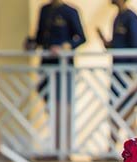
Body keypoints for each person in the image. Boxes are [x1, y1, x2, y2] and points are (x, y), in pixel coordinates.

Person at [29, 0, 86, 153]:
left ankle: (64, 146)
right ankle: (54, 143)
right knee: (49, 102)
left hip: (64, 66)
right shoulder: (45, 10)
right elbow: (40, 36)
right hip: (47, 65)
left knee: (63, 104)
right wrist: (32, 43)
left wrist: (64, 47)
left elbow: (80, 37)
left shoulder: (70, 11)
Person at [98, 0, 137, 126]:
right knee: (115, 108)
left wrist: (135, 75)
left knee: (129, 108)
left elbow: (136, 48)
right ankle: (113, 141)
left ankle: (132, 141)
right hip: (117, 72)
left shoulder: (132, 18)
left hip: (128, 73)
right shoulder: (117, 17)